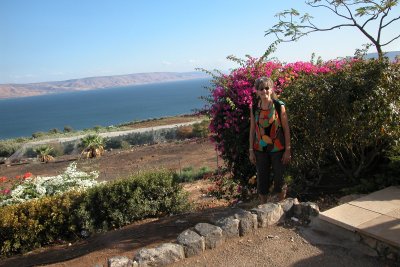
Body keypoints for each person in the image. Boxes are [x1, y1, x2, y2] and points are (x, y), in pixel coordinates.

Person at [249, 77, 291, 203]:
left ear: (271, 89)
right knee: (262, 179)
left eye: (267, 88)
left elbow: (286, 128)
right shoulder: (254, 108)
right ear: (257, 91)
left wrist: (288, 149)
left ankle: (281, 206)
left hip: (278, 148)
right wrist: (251, 150)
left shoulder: (279, 106)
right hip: (259, 149)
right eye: (261, 89)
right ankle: (263, 208)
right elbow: (252, 130)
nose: (264, 91)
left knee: (280, 178)